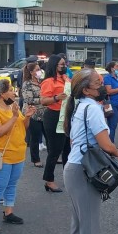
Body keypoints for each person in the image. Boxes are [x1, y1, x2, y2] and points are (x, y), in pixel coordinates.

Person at [63, 69, 118, 234]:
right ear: (87, 89)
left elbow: (73, 140)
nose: (103, 85)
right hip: (84, 173)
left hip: (74, 169)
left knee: (79, 227)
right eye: (99, 83)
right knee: (90, 231)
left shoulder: (79, 106)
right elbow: (105, 143)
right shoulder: (93, 108)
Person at [0, 79, 36, 233]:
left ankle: (9, 212)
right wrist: (13, 117)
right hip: (2, 154)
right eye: (11, 90)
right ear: (1, 93)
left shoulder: (14, 107)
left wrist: (27, 116)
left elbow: (23, 127)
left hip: (18, 152)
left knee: (12, 185)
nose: (14, 92)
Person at [40, 55, 70, 193]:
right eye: (62, 64)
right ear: (54, 66)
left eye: (65, 64)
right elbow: (43, 100)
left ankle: (69, 178)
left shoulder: (66, 79)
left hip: (66, 116)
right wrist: (56, 97)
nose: (64, 66)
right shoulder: (49, 81)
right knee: (55, 150)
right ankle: (49, 180)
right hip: (54, 116)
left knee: (67, 149)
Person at [21, 59, 46, 167]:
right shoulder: (27, 84)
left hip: (45, 113)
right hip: (33, 113)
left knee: (49, 136)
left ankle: (54, 156)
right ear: (31, 72)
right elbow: (29, 100)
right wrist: (43, 100)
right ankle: (36, 159)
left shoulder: (42, 82)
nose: (40, 71)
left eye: (40, 69)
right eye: (37, 70)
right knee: (35, 137)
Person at [103, 61, 118, 143]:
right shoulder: (107, 78)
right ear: (112, 68)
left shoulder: (117, 78)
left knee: (114, 125)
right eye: (117, 66)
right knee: (112, 125)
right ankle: (110, 145)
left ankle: (111, 143)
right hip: (112, 104)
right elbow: (108, 91)